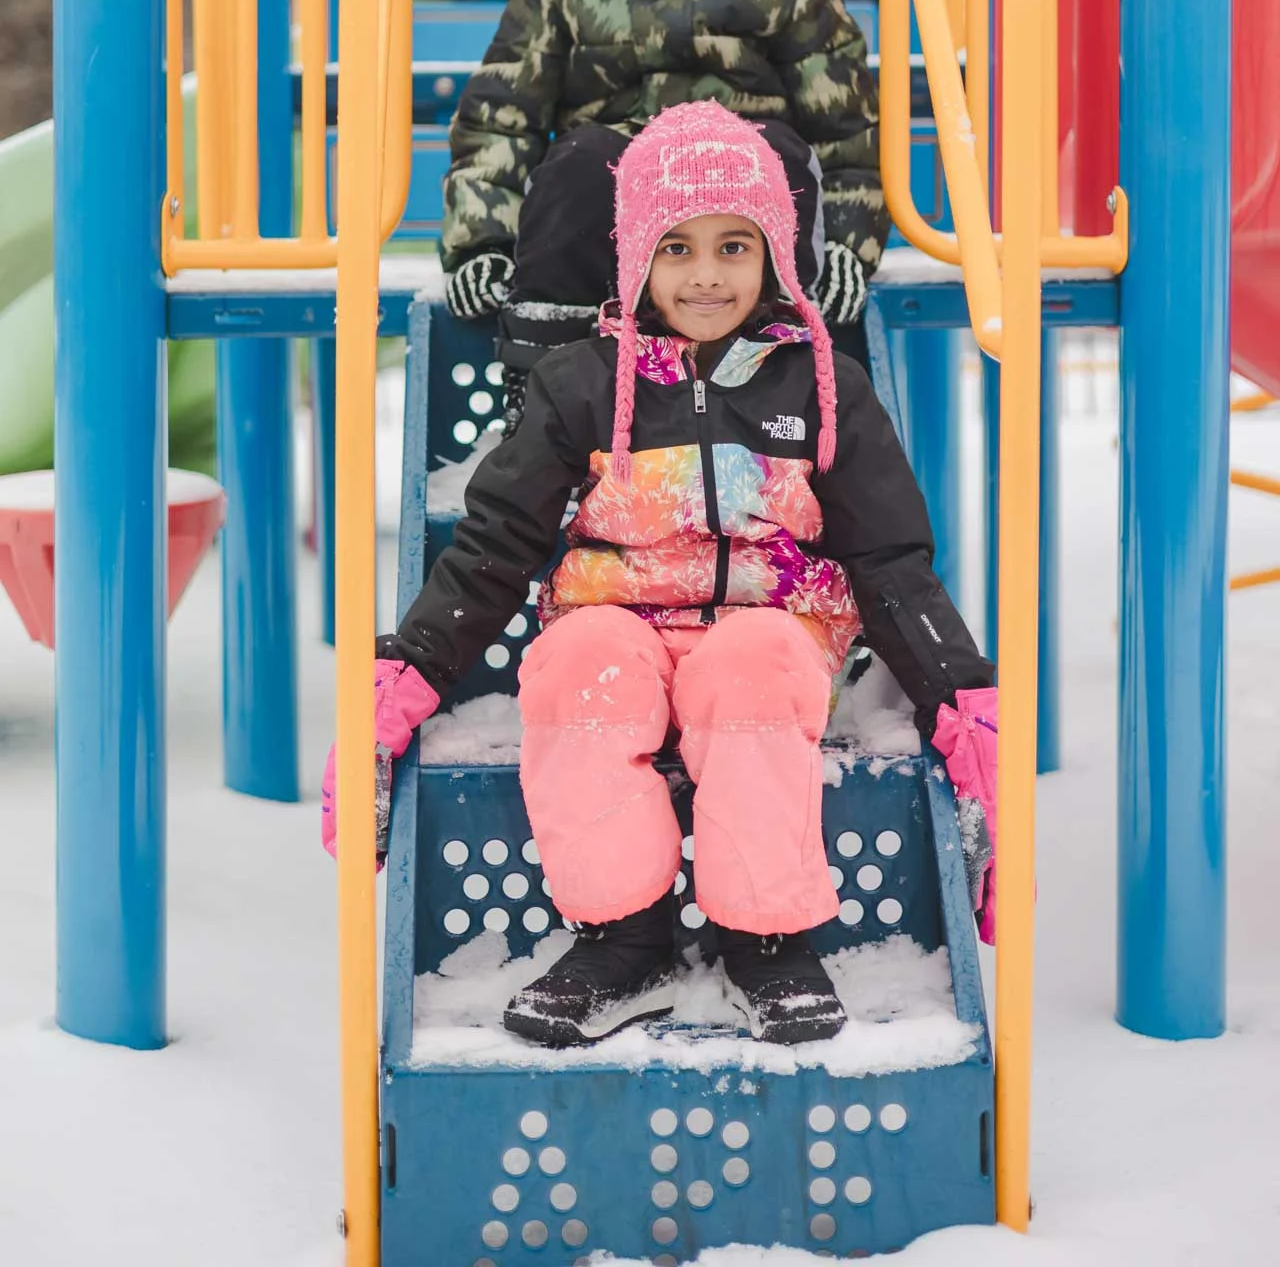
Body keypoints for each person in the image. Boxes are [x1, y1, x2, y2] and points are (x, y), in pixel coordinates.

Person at [324, 103, 996, 1048]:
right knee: (577, 664)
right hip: (622, 619)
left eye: (734, 246)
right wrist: (408, 674)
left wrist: (962, 700)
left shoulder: (821, 386)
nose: (706, 275)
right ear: (637, 255)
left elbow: (887, 558)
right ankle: (622, 939)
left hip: (773, 628)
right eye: (676, 249)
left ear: (775, 253)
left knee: (752, 666)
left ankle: (765, 939)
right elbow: (495, 542)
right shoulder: (582, 383)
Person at [440, 0, 887, 426]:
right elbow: (502, 117)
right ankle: (549, 396)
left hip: (738, 201)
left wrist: (849, 245)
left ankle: (771, 401)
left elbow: (845, 130)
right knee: (578, 161)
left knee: (778, 155)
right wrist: (482, 244)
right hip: (612, 207)